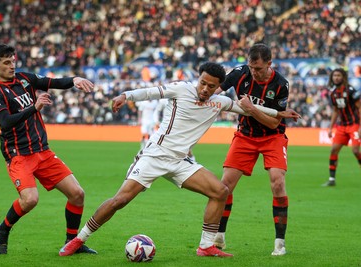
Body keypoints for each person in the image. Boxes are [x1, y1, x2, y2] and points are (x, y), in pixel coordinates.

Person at [58, 62, 300, 257]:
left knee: (220, 191)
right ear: (198, 79)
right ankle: (79, 240)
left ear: (218, 86)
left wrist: (279, 113)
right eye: (202, 83)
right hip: (155, 155)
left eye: (211, 85)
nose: (205, 89)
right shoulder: (181, 89)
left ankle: (206, 246)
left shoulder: (220, 101)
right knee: (120, 200)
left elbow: (247, 109)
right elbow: (152, 92)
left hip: (181, 161)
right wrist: (125, 95)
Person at [0, 43, 97, 255]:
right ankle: (3, 229)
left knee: (77, 194)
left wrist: (75, 80)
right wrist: (33, 108)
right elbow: (5, 122)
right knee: (30, 200)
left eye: (13, 61)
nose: (12, 66)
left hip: (42, 151)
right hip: (18, 155)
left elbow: (53, 82)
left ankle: (72, 242)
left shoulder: (25, 78)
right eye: (6, 63)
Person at [214, 43, 294, 256]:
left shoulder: (281, 84)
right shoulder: (240, 73)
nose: (254, 72)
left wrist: (250, 109)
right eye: (251, 67)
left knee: (278, 182)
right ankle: (219, 236)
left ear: (269, 64)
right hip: (245, 136)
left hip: (272, 137)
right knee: (224, 186)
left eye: (258, 68)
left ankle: (279, 243)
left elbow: (274, 123)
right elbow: (215, 90)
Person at [322, 68, 361, 186]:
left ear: (343, 77)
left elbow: (359, 108)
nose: (336, 78)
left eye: (339, 75)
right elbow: (335, 111)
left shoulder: (351, 90)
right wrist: (330, 128)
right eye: (334, 76)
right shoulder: (333, 93)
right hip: (341, 126)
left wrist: (360, 127)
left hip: (354, 125)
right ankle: (331, 180)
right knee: (334, 150)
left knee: (355, 150)